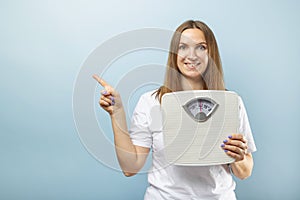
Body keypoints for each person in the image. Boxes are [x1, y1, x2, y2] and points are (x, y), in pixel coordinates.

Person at [93, 20, 256, 200]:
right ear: (174, 53)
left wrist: (239, 158)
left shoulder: (231, 103)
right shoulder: (151, 102)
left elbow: (244, 172)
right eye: (183, 47)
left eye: (201, 47)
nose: (192, 55)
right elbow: (130, 167)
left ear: (211, 54)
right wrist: (117, 114)